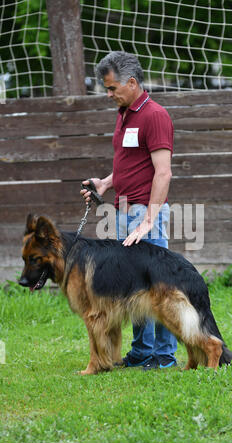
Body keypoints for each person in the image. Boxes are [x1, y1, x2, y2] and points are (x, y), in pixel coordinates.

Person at [80, 51, 177, 370]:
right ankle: (142, 352)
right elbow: (128, 163)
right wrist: (105, 183)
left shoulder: (155, 115)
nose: (108, 94)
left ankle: (164, 356)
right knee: (134, 287)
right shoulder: (124, 113)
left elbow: (163, 172)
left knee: (158, 286)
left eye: (111, 88)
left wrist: (149, 220)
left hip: (146, 215)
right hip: (122, 212)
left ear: (131, 82)